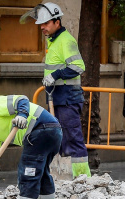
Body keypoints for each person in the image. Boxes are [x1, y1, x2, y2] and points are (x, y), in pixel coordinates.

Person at [33, 2, 91, 178]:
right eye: (40, 24)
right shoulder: (53, 41)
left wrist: (56, 74)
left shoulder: (66, 41)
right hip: (57, 97)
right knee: (61, 138)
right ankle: (66, 176)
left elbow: (78, 66)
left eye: (46, 23)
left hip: (67, 98)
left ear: (57, 22)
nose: (42, 27)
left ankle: (83, 178)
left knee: (72, 138)